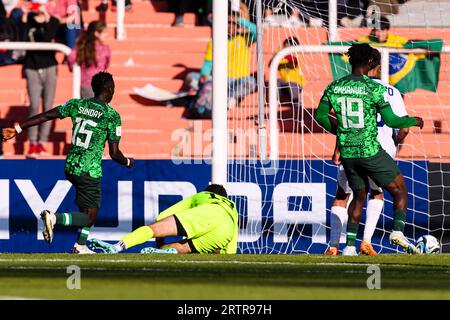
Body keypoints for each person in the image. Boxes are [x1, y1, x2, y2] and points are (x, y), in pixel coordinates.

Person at [2, 72, 135, 254]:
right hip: (89, 170)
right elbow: (114, 153)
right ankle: (54, 218)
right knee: (90, 217)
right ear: (110, 90)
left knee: (84, 209)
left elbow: (46, 116)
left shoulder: (77, 104)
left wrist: (17, 129)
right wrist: (128, 162)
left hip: (71, 166)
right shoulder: (111, 116)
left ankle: (80, 246)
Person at [314, 43, 424, 256]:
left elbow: (320, 116)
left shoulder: (334, 86)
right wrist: (414, 120)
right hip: (372, 150)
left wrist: (341, 131)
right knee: (398, 190)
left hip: (348, 151)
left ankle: (348, 247)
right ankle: (397, 232)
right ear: (372, 63)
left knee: (356, 196)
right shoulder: (376, 88)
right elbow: (392, 120)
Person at [88, 184, 239, 254]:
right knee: (184, 247)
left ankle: (117, 247)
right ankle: (166, 252)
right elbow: (232, 242)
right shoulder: (232, 207)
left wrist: (159, 238)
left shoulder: (203, 196)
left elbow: (163, 216)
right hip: (225, 232)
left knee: (153, 229)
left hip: (207, 214)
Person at [20, 1, 60, 156]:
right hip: (32, 67)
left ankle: (42, 142)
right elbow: (22, 40)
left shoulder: (53, 21)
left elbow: (49, 36)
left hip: (50, 67)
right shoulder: (27, 21)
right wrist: (24, 18)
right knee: (34, 106)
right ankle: (32, 142)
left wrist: (46, 16)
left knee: (48, 107)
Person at [67, 20, 110, 98]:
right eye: (104, 32)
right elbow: (106, 64)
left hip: (88, 86)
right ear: (96, 33)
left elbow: (71, 58)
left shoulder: (81, 46)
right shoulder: (105, 49)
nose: (106, 35)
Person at [227, 7, 257, 108]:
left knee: (250, 82)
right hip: (221, 80)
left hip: (240, 80)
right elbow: (208, 63)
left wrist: (239, 19)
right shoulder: (215, 41)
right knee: (192, 78)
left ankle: (230, 97)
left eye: (233, 24)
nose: (230, 26)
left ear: (238, 26)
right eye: (228, 23)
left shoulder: (244, 38)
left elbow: (257, 32)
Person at [271, 36, 306, 112]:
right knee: (276, 82)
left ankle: (296, 103)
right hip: (284, 84)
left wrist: (281, 53)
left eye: (289, 46)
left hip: (296, 84)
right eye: (285, 46)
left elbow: (294, 61)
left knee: (291, 84)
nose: (286, 48)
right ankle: (274, 102)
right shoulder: (280, 57)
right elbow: (270, 65)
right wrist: (274, 57)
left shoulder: (296, 54)